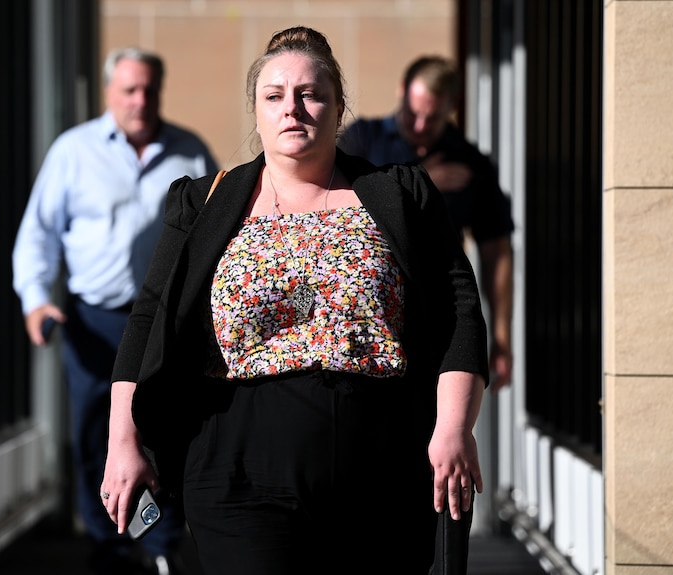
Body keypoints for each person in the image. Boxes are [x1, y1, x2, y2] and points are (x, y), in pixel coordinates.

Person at [100, 27, 489, 575]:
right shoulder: (202, 204)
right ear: (256, 111)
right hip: (236, 471)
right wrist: (124, 442)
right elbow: (148, 322)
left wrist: (453, 427)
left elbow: (459, 314)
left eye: (311, 95)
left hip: (381, 469)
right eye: (275, 96)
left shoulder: (402, 194)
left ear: (339, 107)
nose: (293, 110)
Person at [12, 46, 218, 575]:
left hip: (163, 322)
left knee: (164, 430)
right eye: (129, 89)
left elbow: (221, 233)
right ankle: (108, 545)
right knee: (92, 433)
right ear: (109, 92)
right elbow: (38, 234)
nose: (140, 100)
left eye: (149, 89)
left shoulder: (190, 153)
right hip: (93, 319)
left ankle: (162, 544)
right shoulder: (73, 151)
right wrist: (36, 302)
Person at [340, 55, 514, 392]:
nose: (419, 127)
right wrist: (423, 181)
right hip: (364, 306)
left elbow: (497, 250)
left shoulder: (469, 162)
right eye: (412, 113)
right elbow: (328, 200)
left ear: (451, 107)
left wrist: (502, 338)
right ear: (401, 91)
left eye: (431, 118)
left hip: (435, 315)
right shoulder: (361, 139)